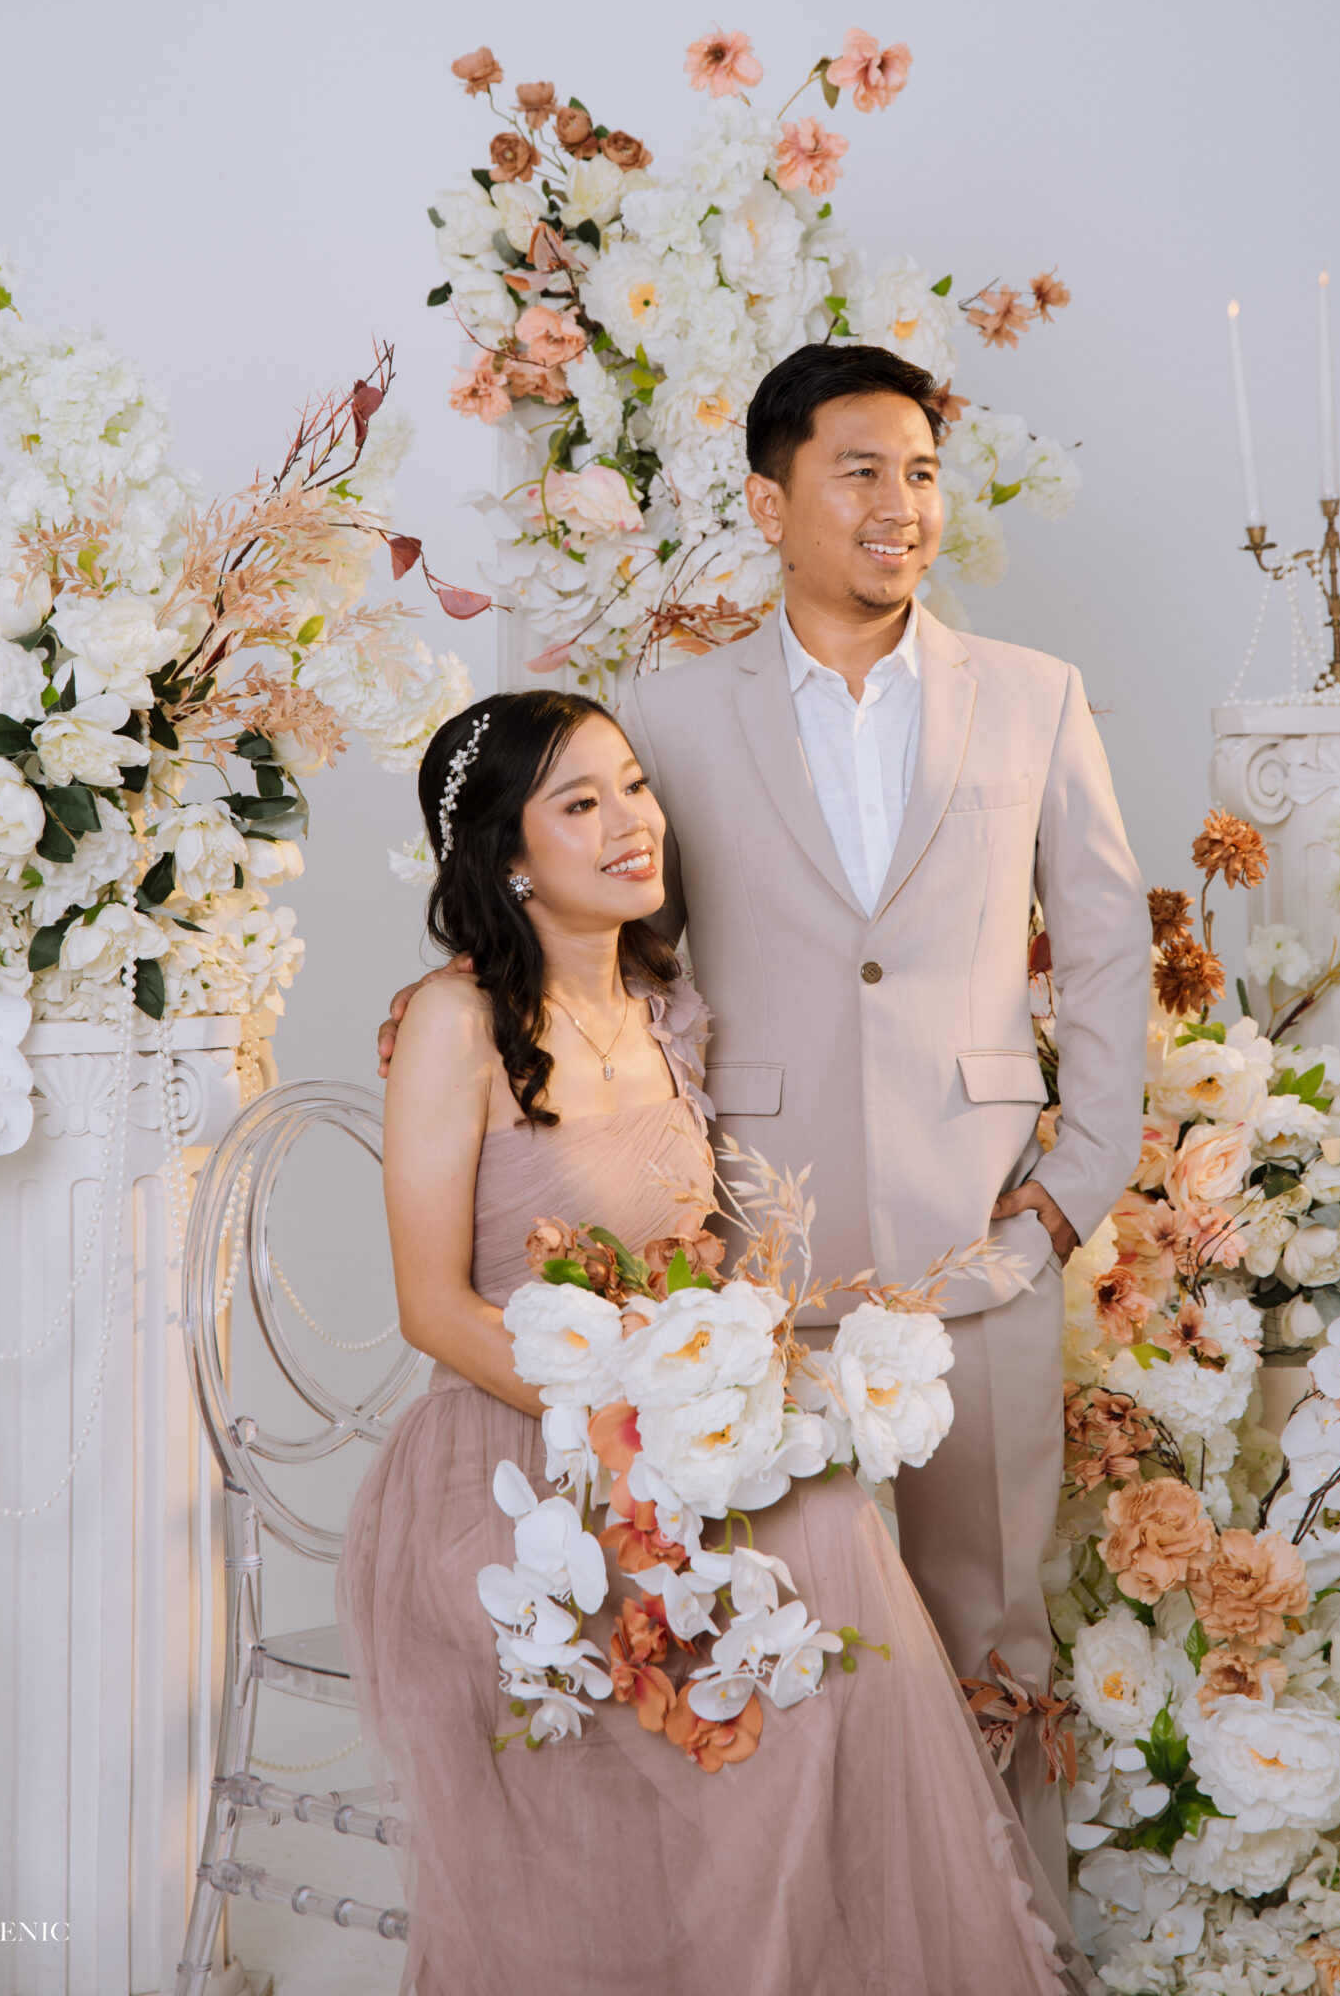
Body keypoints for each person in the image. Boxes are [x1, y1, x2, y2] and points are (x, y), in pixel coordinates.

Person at [380, 341, 1149, 1903]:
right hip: (745, 1263)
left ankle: (1010, 1949)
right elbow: (609, 937)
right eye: (859, 472)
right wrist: (472, 1015)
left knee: (992, 1623)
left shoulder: (1033, 697)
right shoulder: (666, 714)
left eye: (920, 473)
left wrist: (1072, 1188)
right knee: (788, 1649)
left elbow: (1107, 945)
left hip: (984, 1232)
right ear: (767, 502)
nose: (898, 504)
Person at [336, 688, 1093, 1996]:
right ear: (508, 856)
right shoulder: (453, 1024)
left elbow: (703, 1263)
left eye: (634, 786)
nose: (632, 823)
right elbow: (432, 1308)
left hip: (678, 1443)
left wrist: (723, 1421)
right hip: (516, 1460)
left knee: (829, 1536)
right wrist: (636, 1449)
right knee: (776, 1579)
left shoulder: (665, 1004)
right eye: (581, 804)